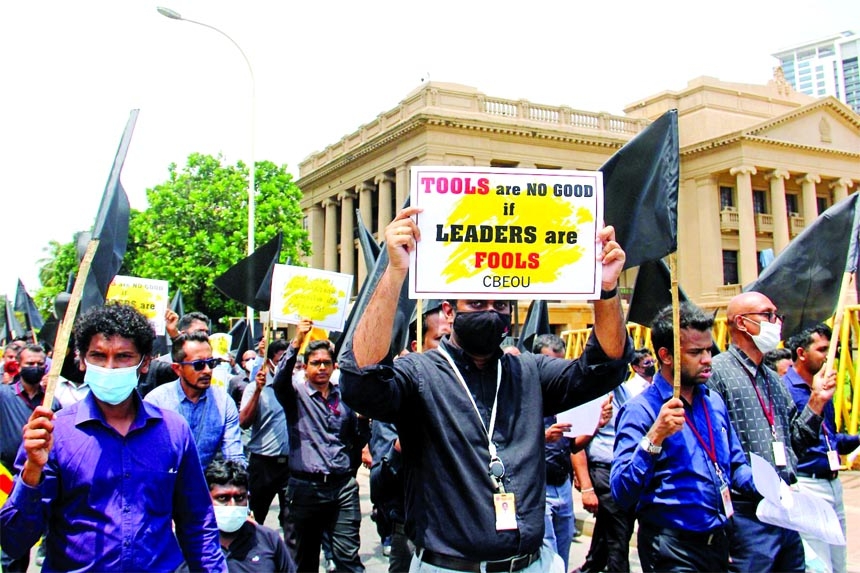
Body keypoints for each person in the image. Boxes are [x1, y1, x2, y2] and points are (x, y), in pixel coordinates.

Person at [339, 207, 632, 572]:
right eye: (477, 303)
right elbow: (361, 383)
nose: (490, 312)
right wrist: (395, 272)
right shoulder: (419, 374)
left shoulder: (528, 371)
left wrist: (605, 290)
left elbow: (606, 367)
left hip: (532, 564)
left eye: (501, 305)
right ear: (449, 311)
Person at [0, 303, 226, 572]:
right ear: (82, 360)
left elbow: (197, 523)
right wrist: (33, 471)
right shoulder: (52, 434)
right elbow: (14, 541)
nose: (109, 367)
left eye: (123, 357)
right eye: (98, 355)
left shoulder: (173, 431)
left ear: (145, 363)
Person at [612, 302, 758, 572]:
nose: (707, 359)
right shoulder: (640, 411)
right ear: (666, 356)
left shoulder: (713, 403)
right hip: (672, 549)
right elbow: (621, 491)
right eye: (695, 352)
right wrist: (654, 438)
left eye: (708, 350)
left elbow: (735, 465)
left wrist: (773, 488)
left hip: (719, 542)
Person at [707, 291, 835, 572]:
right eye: (767, 315)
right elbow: (714, 452)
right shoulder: (717, 374)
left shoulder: (773, 381)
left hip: (785, 510)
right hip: (747, 514)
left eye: (777, 316)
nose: (776, 323)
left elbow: (796, 443)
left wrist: (816, 404)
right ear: (741, 323)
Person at [272, 326, 368, 573]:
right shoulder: (295, 396)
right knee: (303, 560)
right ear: (305, 367)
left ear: (334, 366)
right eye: (316, 363)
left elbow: (355, 439)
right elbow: (279, 380)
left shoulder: (346, 397)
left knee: (348, 557)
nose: (322, 367)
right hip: (305, 489)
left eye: (327, 362)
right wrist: (296, 343)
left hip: (341, 488)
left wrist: (363, 421)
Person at [370, 300, 451, 572]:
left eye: (453, 338)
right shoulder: (398, 400)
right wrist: (400, 447)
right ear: (418, 345)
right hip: (415, 527)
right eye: (441, 339)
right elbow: (379, 483)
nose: (450, 346)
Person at [784, 324, 857, 573]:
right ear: (802, 353)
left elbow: (831, 441)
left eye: (832, 349)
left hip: (833, 483)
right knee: (818, 567)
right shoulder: (786, 390)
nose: (829, 355)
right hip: (807, 484)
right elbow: (794, 441)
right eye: (822, 349)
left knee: (838, 564)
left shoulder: (824, 387)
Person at [145, 331, 246, 469]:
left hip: (207, 486)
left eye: (211, 363)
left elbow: (233, 457)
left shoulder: (224, 402)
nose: (207, 371)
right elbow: (146, 455)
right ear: (177, 369)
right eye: (198, 365)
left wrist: (237, 482)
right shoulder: (156, 401)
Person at [0, 343, 59, 573]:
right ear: (18, 366)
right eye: (29, 364)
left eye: (39, 364)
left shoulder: (51, 402)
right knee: (11, 536)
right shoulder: (4, 396)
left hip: (38, 478)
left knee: (32, 529)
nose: (34, 368)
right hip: (5, 477)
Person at [532, 333, 577, 571]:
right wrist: (543, 437)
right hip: (539, 488)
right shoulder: (522, 396)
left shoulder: (565, 396)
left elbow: (574, 445)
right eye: (549, 363)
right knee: (548, 556)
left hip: (563, 485)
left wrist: (596, 424)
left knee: (564, 548)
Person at [205, 458, 296, 573]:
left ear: (248, 499)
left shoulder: (268, 540)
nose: (232, 506)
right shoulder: (189, 545)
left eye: (239, 498)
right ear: (206, 500)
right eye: (223, 498)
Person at [239, 342, 291, 537]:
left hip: (290, 465)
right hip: (263, 464)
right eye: (280, 361)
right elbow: (243, 422)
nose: (285, 365)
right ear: (269, 362)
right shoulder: (254, 388)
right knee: (255, 517)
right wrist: (259, 391)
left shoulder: (297, 386)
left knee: (292, 521)